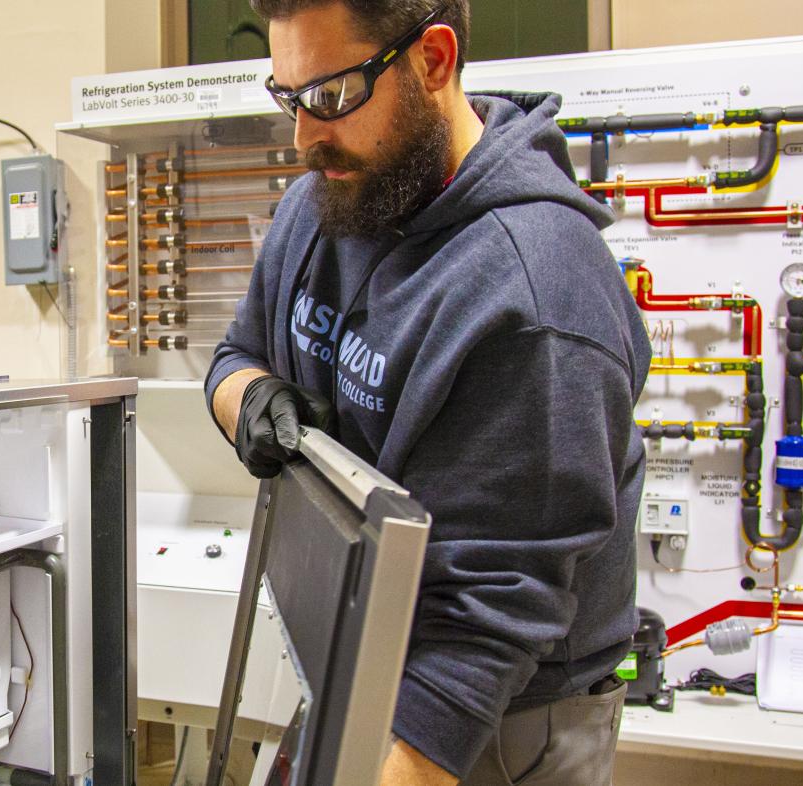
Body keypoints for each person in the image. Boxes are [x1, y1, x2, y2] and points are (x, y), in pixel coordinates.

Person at [205, 0, 653, 783]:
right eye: (291, 98)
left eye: (333, 96)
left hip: (503, 717)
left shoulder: (535, 293)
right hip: (359, 655)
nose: (306, 136)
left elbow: (488, 626)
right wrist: (250, 402)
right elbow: (237, 353)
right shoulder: (325, 202)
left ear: (433, 61)